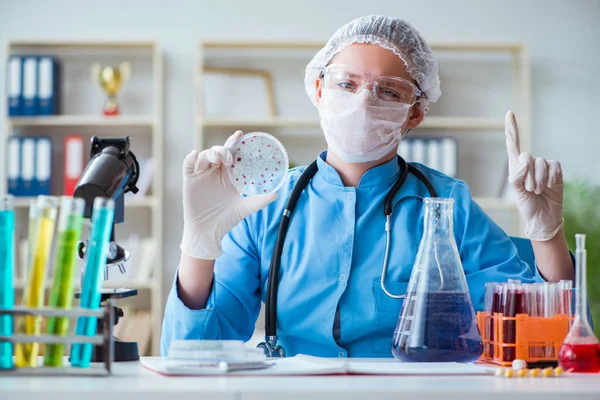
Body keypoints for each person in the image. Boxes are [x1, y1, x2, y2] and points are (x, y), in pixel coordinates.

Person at [161, 15, 574, 358]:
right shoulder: (266, 205)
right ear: (319, 89)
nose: (363, 102)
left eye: (388, 91)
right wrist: (198, 245)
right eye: (347, 84)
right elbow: (192, 355)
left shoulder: (448, 205)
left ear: (415, 114)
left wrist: (546, 236)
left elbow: (539, 343)